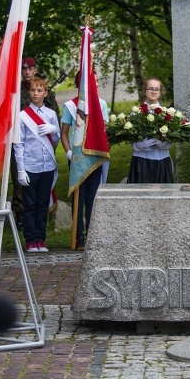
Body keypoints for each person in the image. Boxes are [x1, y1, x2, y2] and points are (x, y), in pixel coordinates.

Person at [60, 75, 109, 250]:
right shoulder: (71, 105)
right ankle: (78, 236)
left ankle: (92, 234)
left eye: (95, 81)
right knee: (78, 196)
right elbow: (64, 133)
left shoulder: (101, 104)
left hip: (94, 155)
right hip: (77, 157)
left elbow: (104, 130)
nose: (94, 83)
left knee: (92, 196)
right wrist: (68, 152)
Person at [11, 57, 60, 229]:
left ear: (35, 70)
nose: (27, 72)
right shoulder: (15, 92)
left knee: (41, 186)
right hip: (21, 139)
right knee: (20, 180)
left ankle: (41, 220)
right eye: (24, 69)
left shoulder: (47, 93)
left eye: (30, 69)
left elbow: (54, 117)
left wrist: (52, 137)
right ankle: (20, 214)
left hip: (43, 142)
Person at [127, 77, 174, 183]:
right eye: (150, 89)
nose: (154, 91)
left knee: (163, 192)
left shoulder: (167, 114)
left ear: (160, 92)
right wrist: (142, 144)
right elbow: (131, 140)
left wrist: (163, 143)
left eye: (157, 89)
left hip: (162, 160)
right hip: (141, 161)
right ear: (145, 91)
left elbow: (172, 140)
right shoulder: (136, 114)